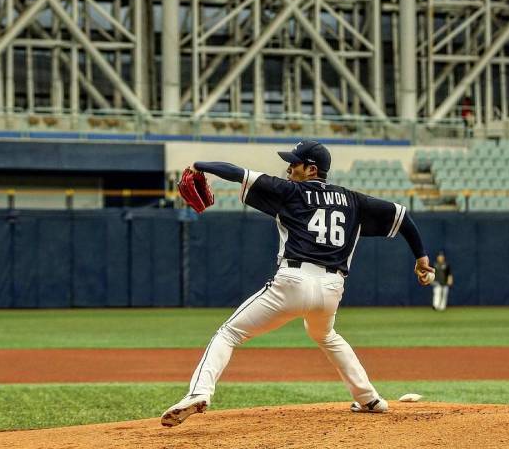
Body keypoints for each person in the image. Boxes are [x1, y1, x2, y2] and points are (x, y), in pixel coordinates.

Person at [160, 139, 434, 427]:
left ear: (311, 169)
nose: (289, 167)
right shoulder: (353, 201)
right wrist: (421, 257)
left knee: (228, 333)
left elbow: (236, 172)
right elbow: (403, 216)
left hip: (292, 282)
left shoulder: (289, 192)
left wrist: (198, 165)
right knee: (326, 335)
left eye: (294, 162)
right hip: (331, 289)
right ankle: (369, 398)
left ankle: (199, 392)